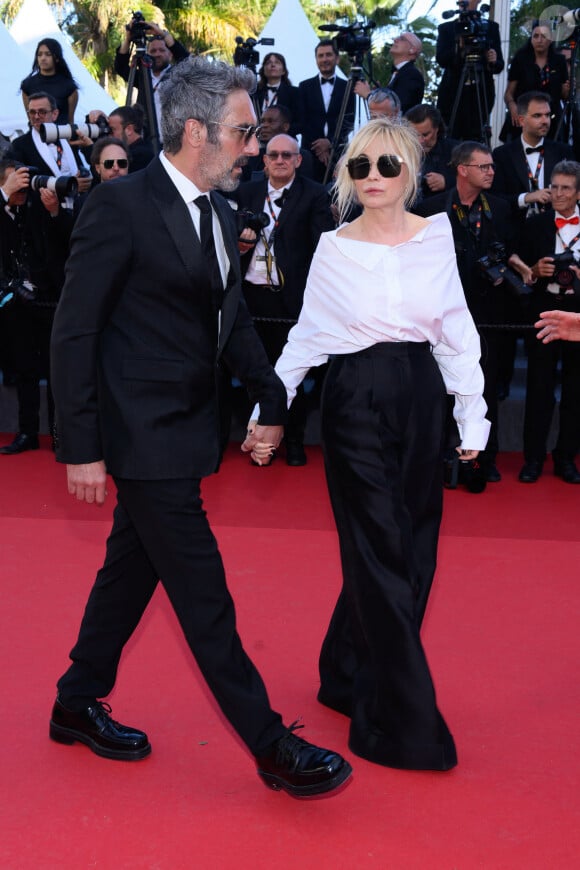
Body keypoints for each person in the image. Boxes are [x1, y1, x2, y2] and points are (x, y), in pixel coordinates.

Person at [47, 56, 351, 799]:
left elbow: (232, 320)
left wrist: (272, 398)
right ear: (195, 130)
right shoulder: (119, 207)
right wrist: (80, 448)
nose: (254, 147)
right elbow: (73, 331)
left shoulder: (220, 210)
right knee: (203, 594)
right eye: (244, 133)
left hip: (191, 430)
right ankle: (272, 747)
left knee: (130, 571)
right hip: (140, 437)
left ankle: (75, 703)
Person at [249, 118, 489, 770]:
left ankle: (343, 668)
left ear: (410, 170)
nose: (374, 178)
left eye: (387, 166)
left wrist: (474, 417)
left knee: (411, 551)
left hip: (419, 397)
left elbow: (456, 328)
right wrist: (269, 409)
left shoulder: (437, 237)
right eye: (361, 168)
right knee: (380, 548)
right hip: (353, 401)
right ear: (348, 176)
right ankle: (399, 722)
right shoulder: (331, 247)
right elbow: (306, 336)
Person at [415, 141, 529, 485]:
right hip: (439, 315)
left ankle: (481, 460)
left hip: (488, 316)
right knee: (437, 391)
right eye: (484, 166)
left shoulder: (501, 208)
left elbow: (508, 252)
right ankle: (436, 458)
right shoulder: (429, 209)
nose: (491, 171)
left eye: (492, 166)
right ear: (462, 169)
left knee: (485, 387)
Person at [235, 133, 334, 465]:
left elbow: (322, 249)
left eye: (286, 155)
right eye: (273, 155)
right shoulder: (245, 191)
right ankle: (255, 438)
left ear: (298, 160)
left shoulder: (315, 195)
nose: (279, 160)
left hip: (290, 301)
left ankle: (293, 440)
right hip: (249, 298)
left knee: (292, 375)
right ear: (263, 160)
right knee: (254, 373)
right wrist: (241, 246)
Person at [512, 160, 580, 485]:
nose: (558, 193)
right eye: (554, 186)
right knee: (538, 389)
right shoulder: (534, 225)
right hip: (542, 314)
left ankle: (566, 458)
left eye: (566, 188)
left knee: (576, 391)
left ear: (578, 191)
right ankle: (533, 459)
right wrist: (534, 271)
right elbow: (520, 268)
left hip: (578, 319)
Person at [0, 159, 74, 455]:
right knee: (25, 370)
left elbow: (70, 239)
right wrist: (5, 193)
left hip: (51, 298)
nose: (21, 187)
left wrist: (55, 210)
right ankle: (27, 432)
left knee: (57, 371)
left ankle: (60, 436)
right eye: (13, 181)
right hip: (15, 303)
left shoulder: (38, 206)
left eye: (23, 181)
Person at [492, 91, 575, 226]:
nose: (545, 121)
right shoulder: (502, 154)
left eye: (547, 115)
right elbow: (495, 198)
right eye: (537, 116)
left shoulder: (563, 151)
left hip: (555, 229)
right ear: (521, 120)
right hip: (515, 230)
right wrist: (526, 198)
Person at [6, 92, 93, 205]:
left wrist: (88, 148)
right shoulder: (20, 144)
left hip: (76, 208)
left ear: (55, 114)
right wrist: (69, 185)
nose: (36, 116)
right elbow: (22, 181)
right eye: (32, 112)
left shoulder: (67, 137)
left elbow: (90, 166)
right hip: (42, 214)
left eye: (42, 112)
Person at [436, 0, 504, 141]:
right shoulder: (447, 28)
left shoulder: (489, 27)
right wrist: (458, 47)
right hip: (452, 92)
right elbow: (442, 59)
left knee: (477, 136)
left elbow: (498, 66)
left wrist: (493, 59)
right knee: (450, 135)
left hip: (480, 90)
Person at [114, 19, 189, 139]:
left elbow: (186, 59)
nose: (157, 54)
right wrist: (128, 39)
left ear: (170, 54)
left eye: (162, 50)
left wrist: (162, 34)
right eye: (153, 51)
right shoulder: (143, 77)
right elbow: (120, 67)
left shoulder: (178, 75)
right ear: (148, 53)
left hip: (175, 140)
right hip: (148, 141)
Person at [501, 21, 569, 143]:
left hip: (551, 121)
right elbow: (508, 93)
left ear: (551, 39)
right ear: (531, 38)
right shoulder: (520, 59)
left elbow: (564, 95)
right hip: (524, 119)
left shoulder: (559, 61)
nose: (539, 40)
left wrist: (568, 88)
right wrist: (512, 106)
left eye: (544, 36)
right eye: (535, 36)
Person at [297, 40, 355, 182]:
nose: (324, 59)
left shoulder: (348, 86)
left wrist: (330, 142)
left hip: (338, 151)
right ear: (316, 59)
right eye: (320, 56)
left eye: (328, 55)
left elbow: (350, 118)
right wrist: (319, 146)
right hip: (309, 151)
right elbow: (302, 119)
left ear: (337, 58)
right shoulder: (304, 86)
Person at [404, 103, 457, 201]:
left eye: (425, 134)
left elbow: (476, 179)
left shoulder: (455, 150)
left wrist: (447, 181)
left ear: (436, 129)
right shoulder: (399, 150)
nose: (420, 140)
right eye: (413, 134)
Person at [20, 38, 78, 125]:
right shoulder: (28, 85)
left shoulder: (69, 86)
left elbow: (70, 121)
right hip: (36, 135)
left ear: (57, 58)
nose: (43, 58)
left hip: (61, 135)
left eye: (48, 54)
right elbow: (31, 118)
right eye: (39, 55)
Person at [255, 52, 299, 129]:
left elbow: (299, 122)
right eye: (268, 62)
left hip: (284, 138)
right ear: (263, 70)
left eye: (277, 62)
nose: (272, 65)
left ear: (284, 71)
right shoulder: (255, 92)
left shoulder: (294, 93)